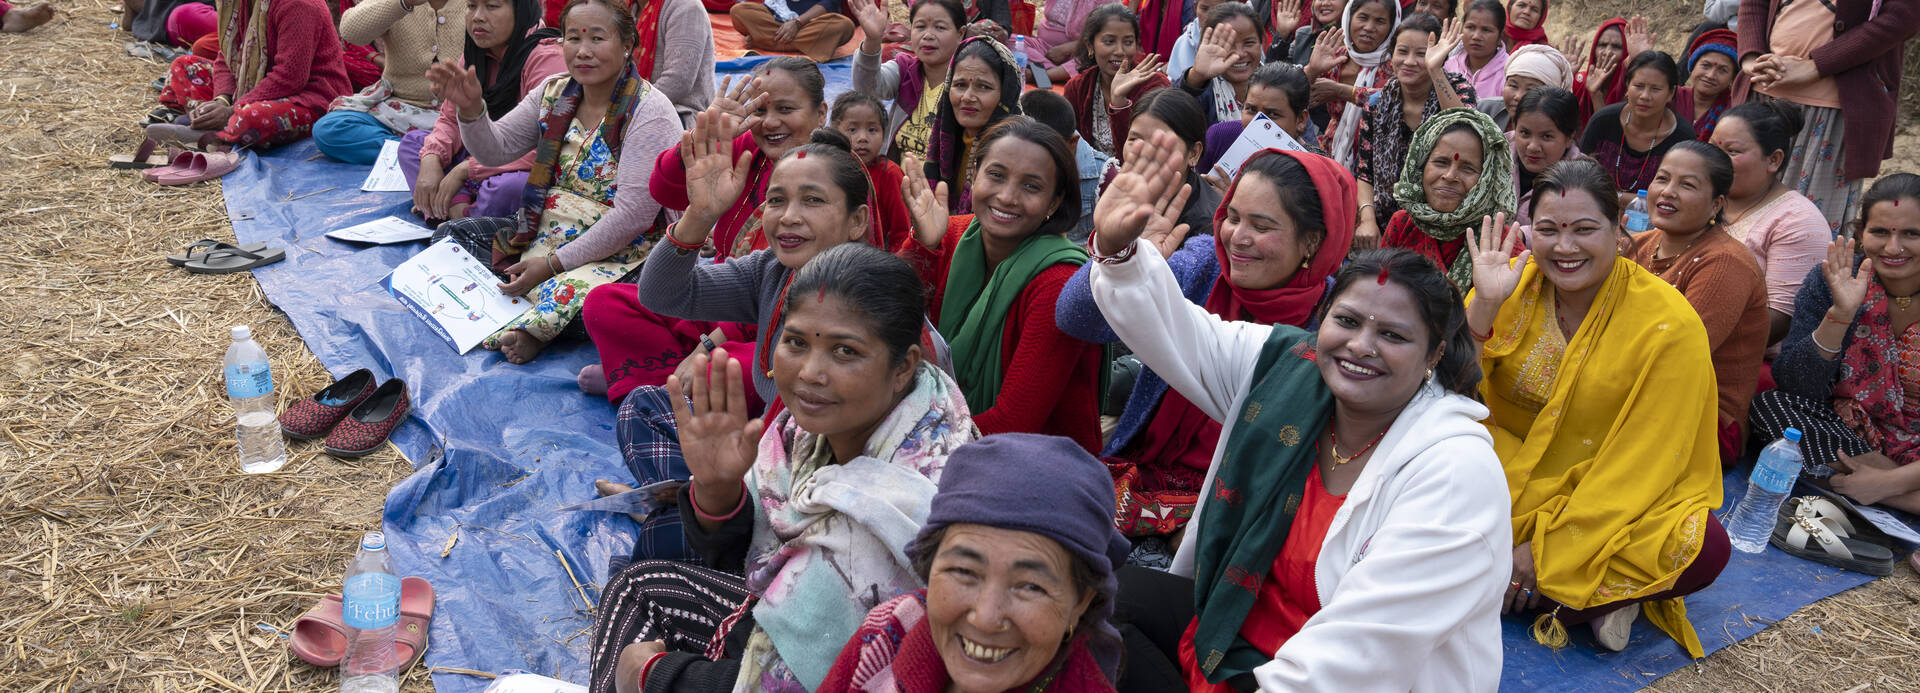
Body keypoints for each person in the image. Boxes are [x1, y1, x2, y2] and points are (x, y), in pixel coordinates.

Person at [1089, 131, 1512, 691]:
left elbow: (1365, 652)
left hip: (1336, 677)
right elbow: (1178, 331)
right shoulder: (1289, 366)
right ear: (1323, 321)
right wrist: (1119, 252)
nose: (1360, 346)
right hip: (1235, 627)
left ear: (1434, 353)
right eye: (1347, 322)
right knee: (1101, 599)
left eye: (1392, 335)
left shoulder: (1455, 472)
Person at [589, 243, 981, 693]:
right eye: (796, 342)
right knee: (637, 584)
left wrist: (651, 675)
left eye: (845, 351)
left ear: (903, 366)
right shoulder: (812, 426)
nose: (810, 372)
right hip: (775, 614)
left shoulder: (894, 512)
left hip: (838, 678)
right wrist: (717, 488)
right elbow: (743, 550)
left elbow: (795, 684)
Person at [1466, 158, 1728, 655]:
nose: (1565, 248)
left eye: (1584, 230)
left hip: (1610, 483)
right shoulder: (1512, 287)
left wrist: (1545, 548)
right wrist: (1484, 304)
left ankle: (1511, 576)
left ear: (1619, 229)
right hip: (1503, 469)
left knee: (1705, 545)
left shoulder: (1669, 324)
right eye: (1549, 230)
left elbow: (1647, 460)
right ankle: (1581, 597)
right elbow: (1451, 396)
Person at [1055, 147, 1355, 546]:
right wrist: (1117, 255)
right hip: (1143, 472)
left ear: (1312, 242)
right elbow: (1076, 319)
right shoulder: (1204, 265)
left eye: (1261, 226)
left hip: (1240, 505)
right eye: (1232, 217)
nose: (1237, 238)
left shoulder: (1336, 323)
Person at [425, 0, 680, 364]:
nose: (583, 51)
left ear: (627, 45)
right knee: (451, 239)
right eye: (573, 38)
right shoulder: (554, 91)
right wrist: (471, 112)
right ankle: (530, 308)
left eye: (597, 38)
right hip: (543, 231)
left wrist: (553, 265)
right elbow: (497, 149)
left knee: (605, 304)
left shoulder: (650, 111)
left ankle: (531, 321)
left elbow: (634, 217)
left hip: (623, 251)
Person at [817, 434, 1132, 692]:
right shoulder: (889, 630)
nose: (985, 619)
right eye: (963, 571)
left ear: (1080, 603)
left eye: (1030, 586)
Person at [901, 117, 1104, 452]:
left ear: (1054, 203)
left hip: (1033, 458)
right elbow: (879, 326)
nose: (1008, 197)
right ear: (974, 174)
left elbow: (1013, 422)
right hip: (939, 435)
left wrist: (903, 440)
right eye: (996, 175)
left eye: (1031, 187)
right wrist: (923, 247)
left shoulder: (1058, 282)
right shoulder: (950, 234)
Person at [1750, 174, 1920, 507]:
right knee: (1770, 406)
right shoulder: (1833, 279)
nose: (1893, 248)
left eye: (1912, 234)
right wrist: (1840, 314)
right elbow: (1796, 387)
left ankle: (1891, 493)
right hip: (1854, 440)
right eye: (1880, 232)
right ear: (1861, 233)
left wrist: (1888, 483)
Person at [1625, 142, 1769, 461]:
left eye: (1687, 185)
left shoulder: (1725, 263)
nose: (1668, 192)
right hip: (1633, 388)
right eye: (1663, 178)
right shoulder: (1640, 244)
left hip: (1704, 419)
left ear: (1716, 204)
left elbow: (1672, 357)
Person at [1738, 0, 1917, 235]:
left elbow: (1901, 18)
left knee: (1805, 228)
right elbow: (1753, 4)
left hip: (1831, 111)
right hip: (1761, 98)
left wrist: (1816, 66)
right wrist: (1751, 59)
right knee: (1737, 211)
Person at [401, 0, 564, 222]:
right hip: (480, 154)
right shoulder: (474, 53)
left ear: (521, 11)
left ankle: (457, 215)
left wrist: (466, 170)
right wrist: (431, 159)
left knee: (512, 188)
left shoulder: (546, 57)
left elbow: (547, 147)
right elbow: (450, 119)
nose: (477, 16)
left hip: (519, 162)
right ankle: (456, 207)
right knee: (413, 144)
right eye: (471, 6)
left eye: (492, 6)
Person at [650, 58, 829, 258]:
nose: (769, 123)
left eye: (785, 109)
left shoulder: (835, 173)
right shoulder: (748, 148)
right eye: (760, 110)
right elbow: (664, 193)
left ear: (821, 114)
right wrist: (703, 137)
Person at [140, 0, 353, 157]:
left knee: (253, 117)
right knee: (184, 66)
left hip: (310, 97)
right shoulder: (240, 3)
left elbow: (289, 78)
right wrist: (221, 100)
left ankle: (216, 134)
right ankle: (207, 119)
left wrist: (231, 110)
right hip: (253, 89)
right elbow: (227, 56)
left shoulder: (299, 5)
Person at [1710, 100, 1829, 346]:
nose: (1715, 160)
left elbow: (1778, 320)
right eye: (1712, 148)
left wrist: (1692, 340)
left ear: (1774, 160)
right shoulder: (1707, 199)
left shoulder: (1798, 220)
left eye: (1732, 151)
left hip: (1744, 355)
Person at [1353, 15, 1476, 249]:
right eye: (1402, 52)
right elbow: (1365, 172)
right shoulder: (1378, 103)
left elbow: (1467, 130)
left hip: (1443, 223)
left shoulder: (1459, 90)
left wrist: (1435, 70)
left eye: (1421, 54)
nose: (1409, 61)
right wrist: (1367, 220)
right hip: (1386, 222)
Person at [315, 0, 473, 164]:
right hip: (399, 109)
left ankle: (421, 153)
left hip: (459, 116)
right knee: (329, 130)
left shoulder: (474, 5)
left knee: (482, 140)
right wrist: (403, 3)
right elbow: (350, 32)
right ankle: (428, 153)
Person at [1379, 108, 1511, 293]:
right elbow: (1378, 289)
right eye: (1441, 162)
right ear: (1421, 165)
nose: (1449, 176)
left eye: (1468, 168)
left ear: (1488, 179)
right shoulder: (1403, 223)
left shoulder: (1501, 243)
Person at [848, 0, 966, 159]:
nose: (928, 35)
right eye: (920, 27)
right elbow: (867, 89)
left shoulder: (967, 84)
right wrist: (873, 40)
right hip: (897, 172)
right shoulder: (906, 69)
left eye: (940, 27)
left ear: (960, 34)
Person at [923, 36, 1024, 214]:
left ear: (1006, 94)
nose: (967, 97)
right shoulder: (948, 142)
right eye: (960, 85)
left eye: (983, 87)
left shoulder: (1020, 151)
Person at [1578, 51, 1694, 197]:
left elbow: (1680, 194)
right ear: (1627, 86)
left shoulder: (1682, 137)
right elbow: (1577, 175)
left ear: (1671, 93)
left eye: (1656, 89)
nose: (1645, 96)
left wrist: (1617, 198)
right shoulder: (1603, 120)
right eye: (1639, 86)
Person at [1061, 4, 1170, 158]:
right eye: (1109, 41)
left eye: (1128, 42)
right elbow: (1068, 145)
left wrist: (1119, 103)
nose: (1120, 51)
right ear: (1090, 46)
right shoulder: (1077, 88)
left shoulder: (1154, 87)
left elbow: (1144, 155)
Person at [1121, 88, 1223, 237]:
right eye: (1134, 139)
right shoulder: (1121, 193)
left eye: (1161, 144)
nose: (1144, 152)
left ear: (1194, 153)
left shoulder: (1209, 227)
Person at [1313, 0, 1402, 169]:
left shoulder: (1398, 65)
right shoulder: (1336, 57)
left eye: (1380, 21)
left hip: (1375, 164)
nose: (1369, 27)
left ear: (1392, 27)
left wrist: (1342, 91)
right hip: (1330, 152)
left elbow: (1392, 100)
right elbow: (1298, 95)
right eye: (1363, 17)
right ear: (1349, 17)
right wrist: (1312, 70)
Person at [1199, 62, 1321, 178]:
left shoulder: (1316, 171)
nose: (1258, 123)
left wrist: (1234, 193)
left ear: (1301, 120)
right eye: (1251, 109)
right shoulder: (1221, 137)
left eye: (1273, 114)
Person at [829, 91, 914, 252]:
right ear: (836, 131)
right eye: (852, 130)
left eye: (872, 130)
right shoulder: (828, 169)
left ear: (884, 133)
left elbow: (901, 230)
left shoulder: (889, 174)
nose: (863, 137)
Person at [1020, 89, 1107, 244]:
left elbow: (1112, 248)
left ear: (1072, 143)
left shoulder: (1104, 178)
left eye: (1046, 151)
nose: (1032, 160)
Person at [1173, 3, 1264, 127]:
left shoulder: (1276, 84)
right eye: (1229, 44)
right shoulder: (1202, 92)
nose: (1239, 54)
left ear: (1261, 43)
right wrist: (1196, 76)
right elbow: (1172, 114)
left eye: (1249, 43)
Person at [624, 0, 714, 126]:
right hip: (634, 105)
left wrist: (625, 107)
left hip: (681, 112)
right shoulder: (628, 7)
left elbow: (677, 81)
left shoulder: (686, 7)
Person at [1506, 86, 1581, 230]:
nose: (1533, 147)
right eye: (1525, 133)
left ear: (1569, 138)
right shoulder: (1493, 156)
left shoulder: (1582, 181)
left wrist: (1522, 236)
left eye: (1546, 136)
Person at [1472, 41, 1569, 130]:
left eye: (1530, 90)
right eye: (1513, 86)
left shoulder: (1560, 128)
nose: (1518, 96)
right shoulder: (1485, 109)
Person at [1023, 0, 1121, 84]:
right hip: (1044, 49)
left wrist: (1068, 48)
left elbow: (1110, 34)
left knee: (1096, 58)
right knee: (1016, 42)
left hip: (1082, 53)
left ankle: (1042, 75)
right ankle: (1058, 73)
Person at [728, 0, 855, 63]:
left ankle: (765, 42)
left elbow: (829, 3)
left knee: (844, 25)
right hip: (777, 24)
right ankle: (804, 46)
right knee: (739, 11)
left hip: (809, 25)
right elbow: (770, 7)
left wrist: (797, 23)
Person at [1673, 28, 1738, 142]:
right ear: (1692, 66)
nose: (1710, 75)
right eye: (1706, 65)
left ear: (1732, 78)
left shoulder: (1735, 110)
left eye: (1723, 70)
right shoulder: (1671, 96)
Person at [1443, 0, 1508, 101]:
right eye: (1470, 27)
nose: (1476, 36)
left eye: (1486, 30)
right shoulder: (1449, 66)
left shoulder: (1508, 73)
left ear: (1500, 36)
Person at [1569, 17, 1626, 123]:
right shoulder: (1579, 81)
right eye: (1602, 45)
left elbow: (1607, 132)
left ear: (1627, 52)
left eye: (1616, 47)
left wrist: (1595, 95)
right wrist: (1564, 79)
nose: (1607, 52)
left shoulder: (1631, 91)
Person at [1158, 0, 1222, 82]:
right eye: (1204, 9)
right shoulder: (1184, 42)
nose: (1210, 17)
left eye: (1218, 10)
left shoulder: (1236, 39)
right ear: (1195, 7)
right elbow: (1174, 83)